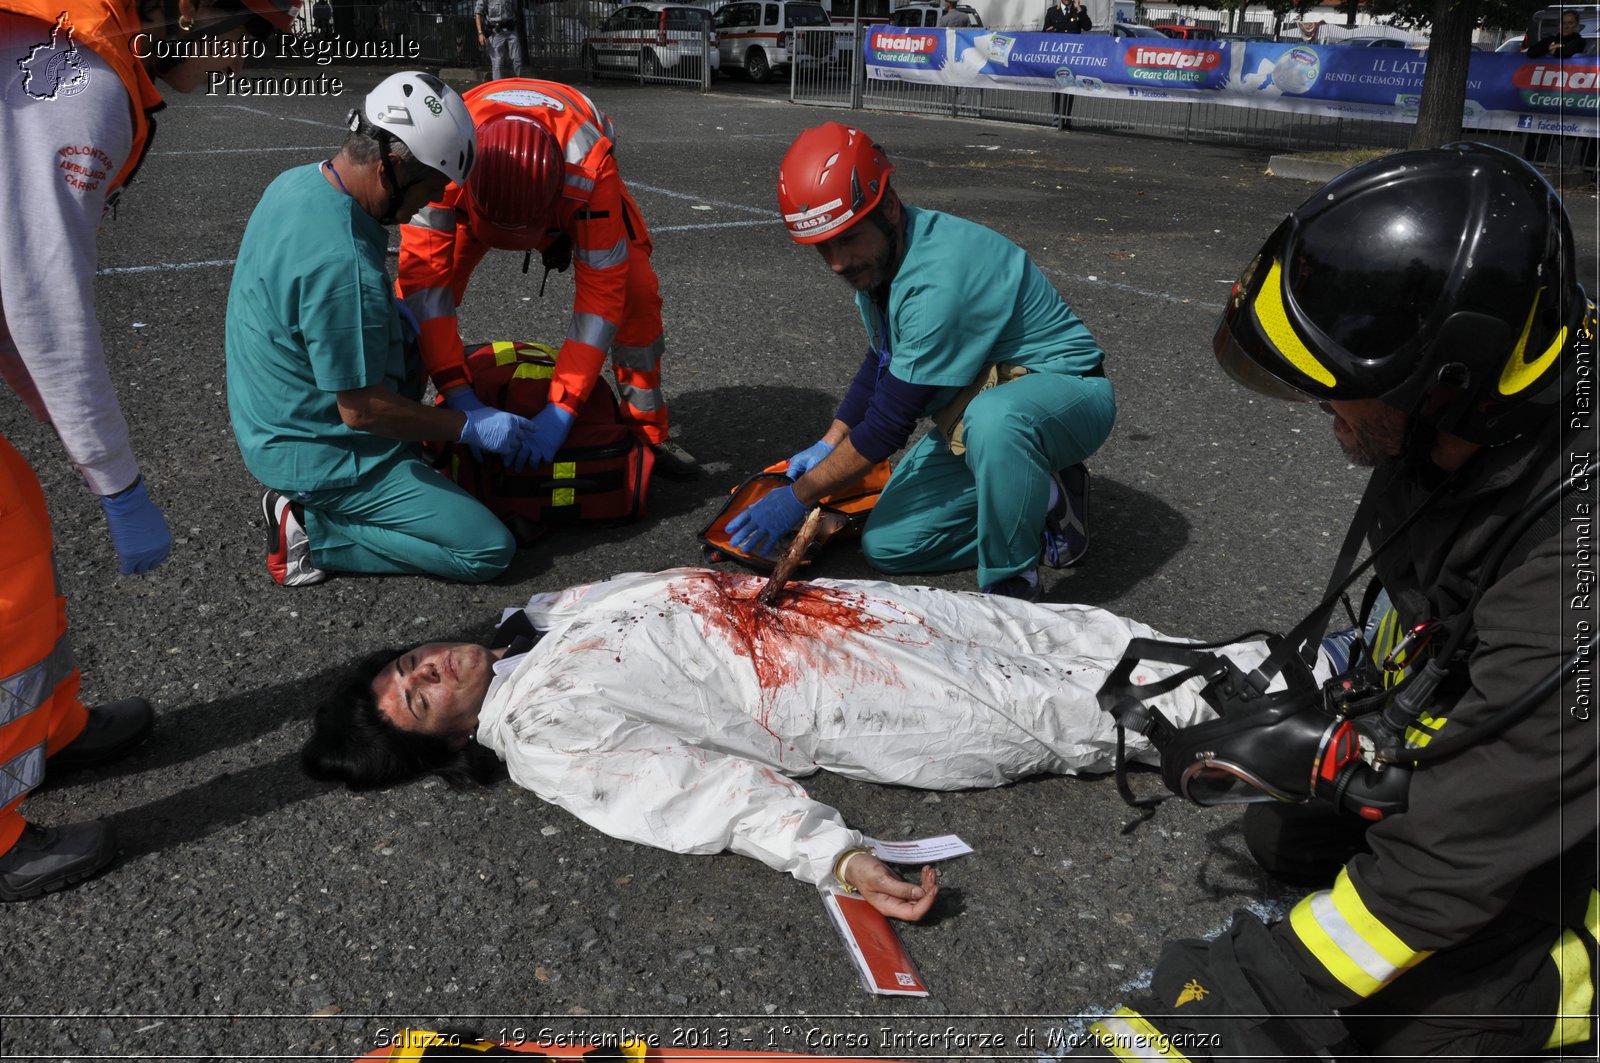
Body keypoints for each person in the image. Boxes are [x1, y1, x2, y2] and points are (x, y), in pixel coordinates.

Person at [1079, 144, 1597, 1059]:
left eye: (1342, 389)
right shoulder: (1481, 435)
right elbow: (1438, 628)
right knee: (1291, 835)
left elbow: (1451, 856)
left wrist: (1215, 1009)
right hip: (1552, 747)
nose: (1325, 411)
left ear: (1447, 383)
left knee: (1412, 1027)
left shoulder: (1578, 555)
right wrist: (1347, 756)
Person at [301, 566, 1343, 921]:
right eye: (418, 699)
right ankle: (1321, 728)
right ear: (446, 741)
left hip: (824, 609)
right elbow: (694, 791)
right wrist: (833, 855)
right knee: (1054, 711)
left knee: (1055, 631)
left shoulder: (532, 616)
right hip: (829, 691)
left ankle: (1276, 664)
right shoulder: (541, 735)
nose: (427, 671)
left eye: (408, 666)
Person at [0, 0, 295, 899]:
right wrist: (117, 480)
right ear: (197, 12)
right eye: (255, 40)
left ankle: (44, 726)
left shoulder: (61, 49)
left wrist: (75, 441)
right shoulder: (81, 84)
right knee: (2, 563)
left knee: (19, 519)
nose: (245, 66)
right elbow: (41, 301)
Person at [730, 123, 1114, 602]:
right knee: (890, 544)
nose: (836, 263)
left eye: (847, 239)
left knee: (998, 422)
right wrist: (830, 441)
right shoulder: (884, 264)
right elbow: (881, 359)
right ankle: (1046, 502)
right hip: (985, 404)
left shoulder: (936, 283)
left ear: (888, 207)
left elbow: (888, 427)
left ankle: (1011, 588)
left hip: (1065, 395)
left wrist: (798, 497)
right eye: (823, 248)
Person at [226, 72, 526, 587]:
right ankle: (310, 530)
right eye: (430, 189)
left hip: (269, 412)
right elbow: (359, 410)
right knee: (488, 549)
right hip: (315, 450)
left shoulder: (296, 182)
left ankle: (383, 476)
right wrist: (468, 427)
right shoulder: (345, 266)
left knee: (404, 333)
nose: (425, 207)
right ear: (394, 167)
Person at [396, 78, 700, 480]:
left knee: (636, 296)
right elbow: (425, 289)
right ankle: (398, 425)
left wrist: (562, 408)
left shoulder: (591, 170)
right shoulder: (444, 156)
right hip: (474, 207)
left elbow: (600, 303)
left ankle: (647, 434)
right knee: (406, 311)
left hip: (567, 201)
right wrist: (460, 395)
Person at [473, 0, 521, 81]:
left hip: (510, 30)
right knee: (497, 61)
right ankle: (498, 86)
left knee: (517, 59)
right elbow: (478, 13)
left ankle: (518, 82)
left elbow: (515, 9)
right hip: (496, 32)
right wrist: (480, 33)